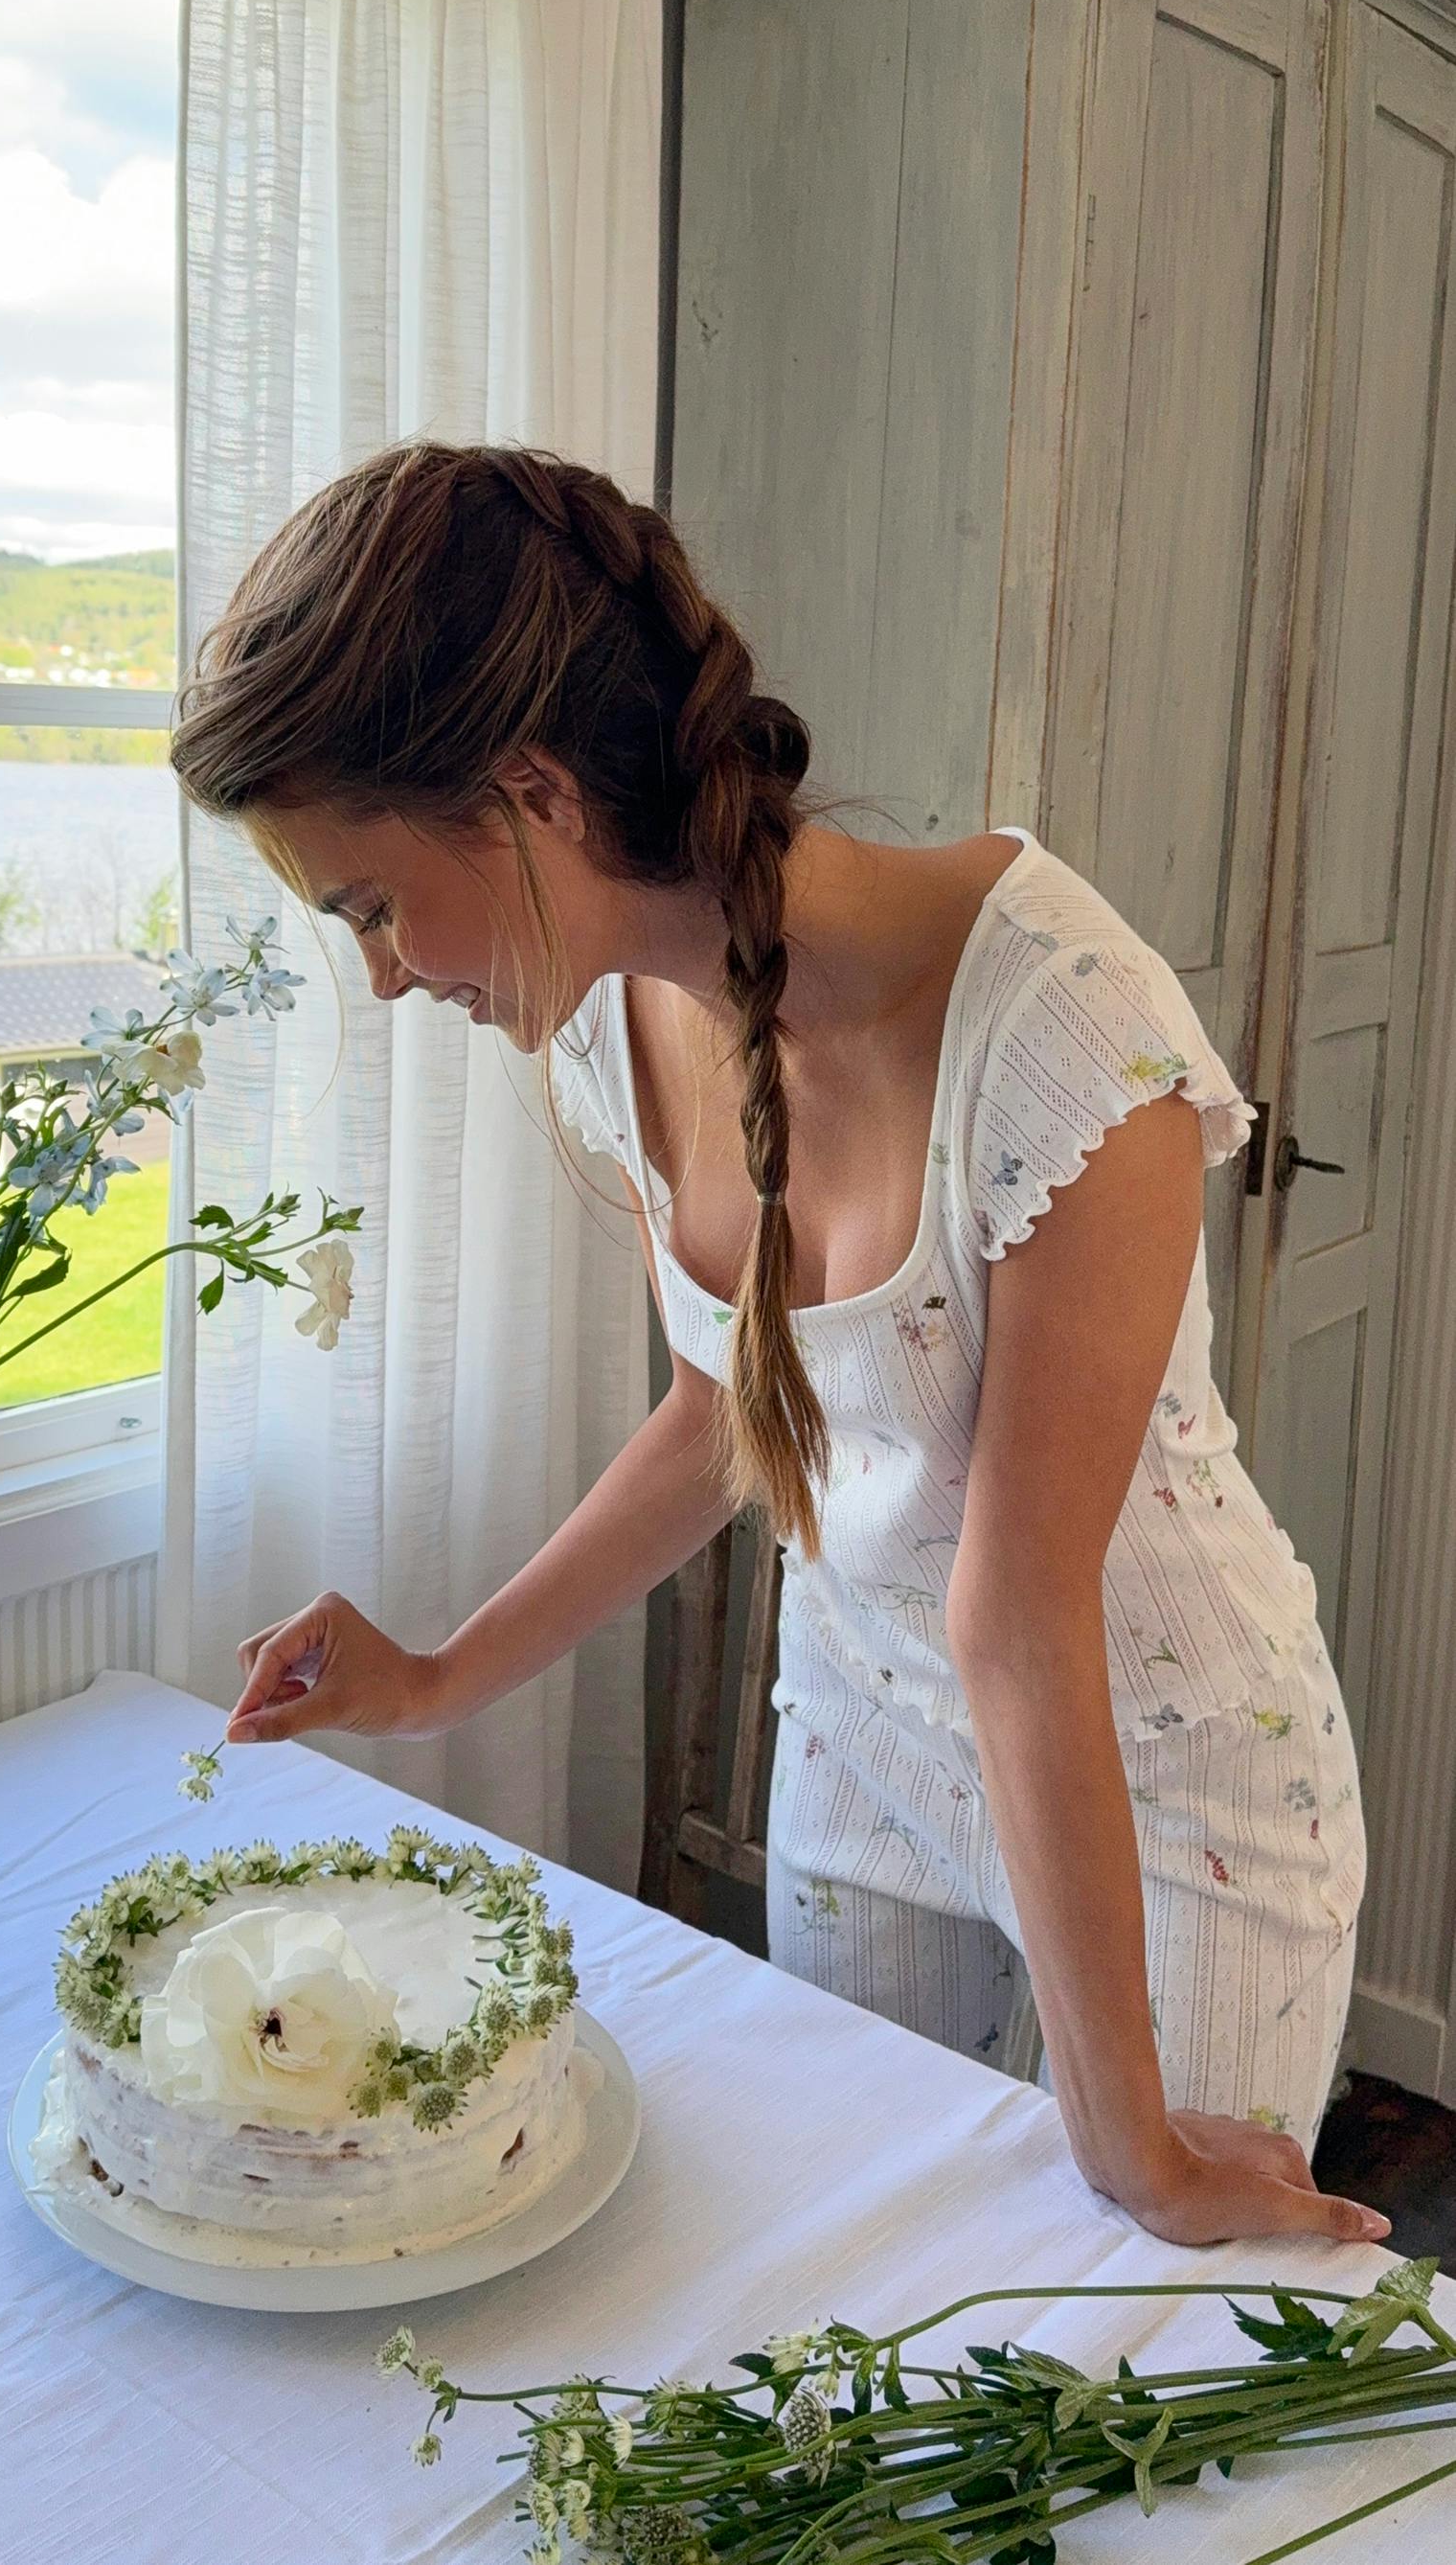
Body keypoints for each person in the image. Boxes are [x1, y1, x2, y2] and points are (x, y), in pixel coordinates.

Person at [170, 439, 1380, 2252]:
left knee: (1128, 2361)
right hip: (863, 1749)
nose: (385, 973)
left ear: (530, 793)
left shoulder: (1071, 1041)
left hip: (1172, 1783)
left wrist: (1133, 2146)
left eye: (370, 905)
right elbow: (723, 1410)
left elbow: (1019, 1609)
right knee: (853, 2313)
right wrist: (433, 1678)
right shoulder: (610, 1014)